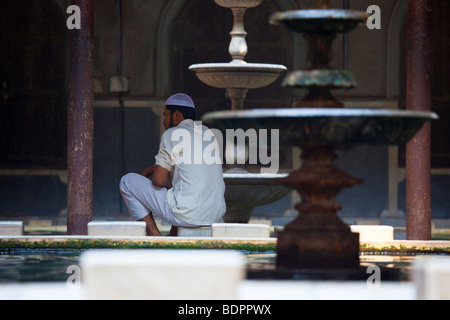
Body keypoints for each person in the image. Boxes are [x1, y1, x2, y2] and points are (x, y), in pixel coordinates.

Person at [119, 93, 226, 236]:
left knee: (127, 182)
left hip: (187, 216)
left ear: (176, 115)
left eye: (165, 115)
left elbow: (158, 180)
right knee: (180, 182)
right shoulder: (208, 133)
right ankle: (172, 235)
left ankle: (157, 240)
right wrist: (151, 170)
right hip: (214, 216)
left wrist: (147, 175)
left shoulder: (172, 133)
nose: (164, 121)